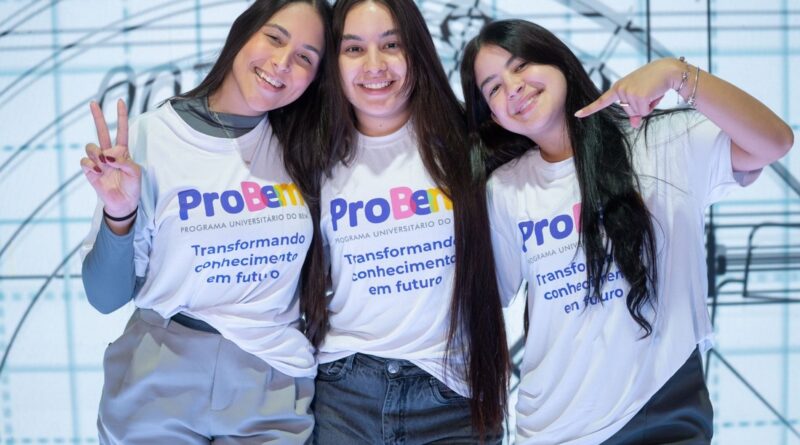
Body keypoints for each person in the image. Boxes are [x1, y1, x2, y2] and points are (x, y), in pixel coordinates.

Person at [460, 19, 793, 445]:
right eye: (493, 88)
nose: (513, 87)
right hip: (553, 427)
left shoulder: (660, 141)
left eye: (521, 66)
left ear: (559, 61)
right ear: (492, 114)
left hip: (663, 412)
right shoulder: (505, 190)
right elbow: (482, 304)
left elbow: (774, 142)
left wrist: (677, 74)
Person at [78, 0, 333, 442]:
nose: (281, 63)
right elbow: (105, 297)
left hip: (270, 382)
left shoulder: (306, 148)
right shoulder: (152, 135)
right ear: (243, 32)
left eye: (305, 58)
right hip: (156, 379)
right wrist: (119, 213)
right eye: (274, 38)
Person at [303, 0, 509, 443]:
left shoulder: (472, 144)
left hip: (454, 397)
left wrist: (661, 78)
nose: (374, 65)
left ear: (417, 50)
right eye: (353, 49)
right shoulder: (310, 154)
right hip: (344, 394)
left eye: (391, 45)